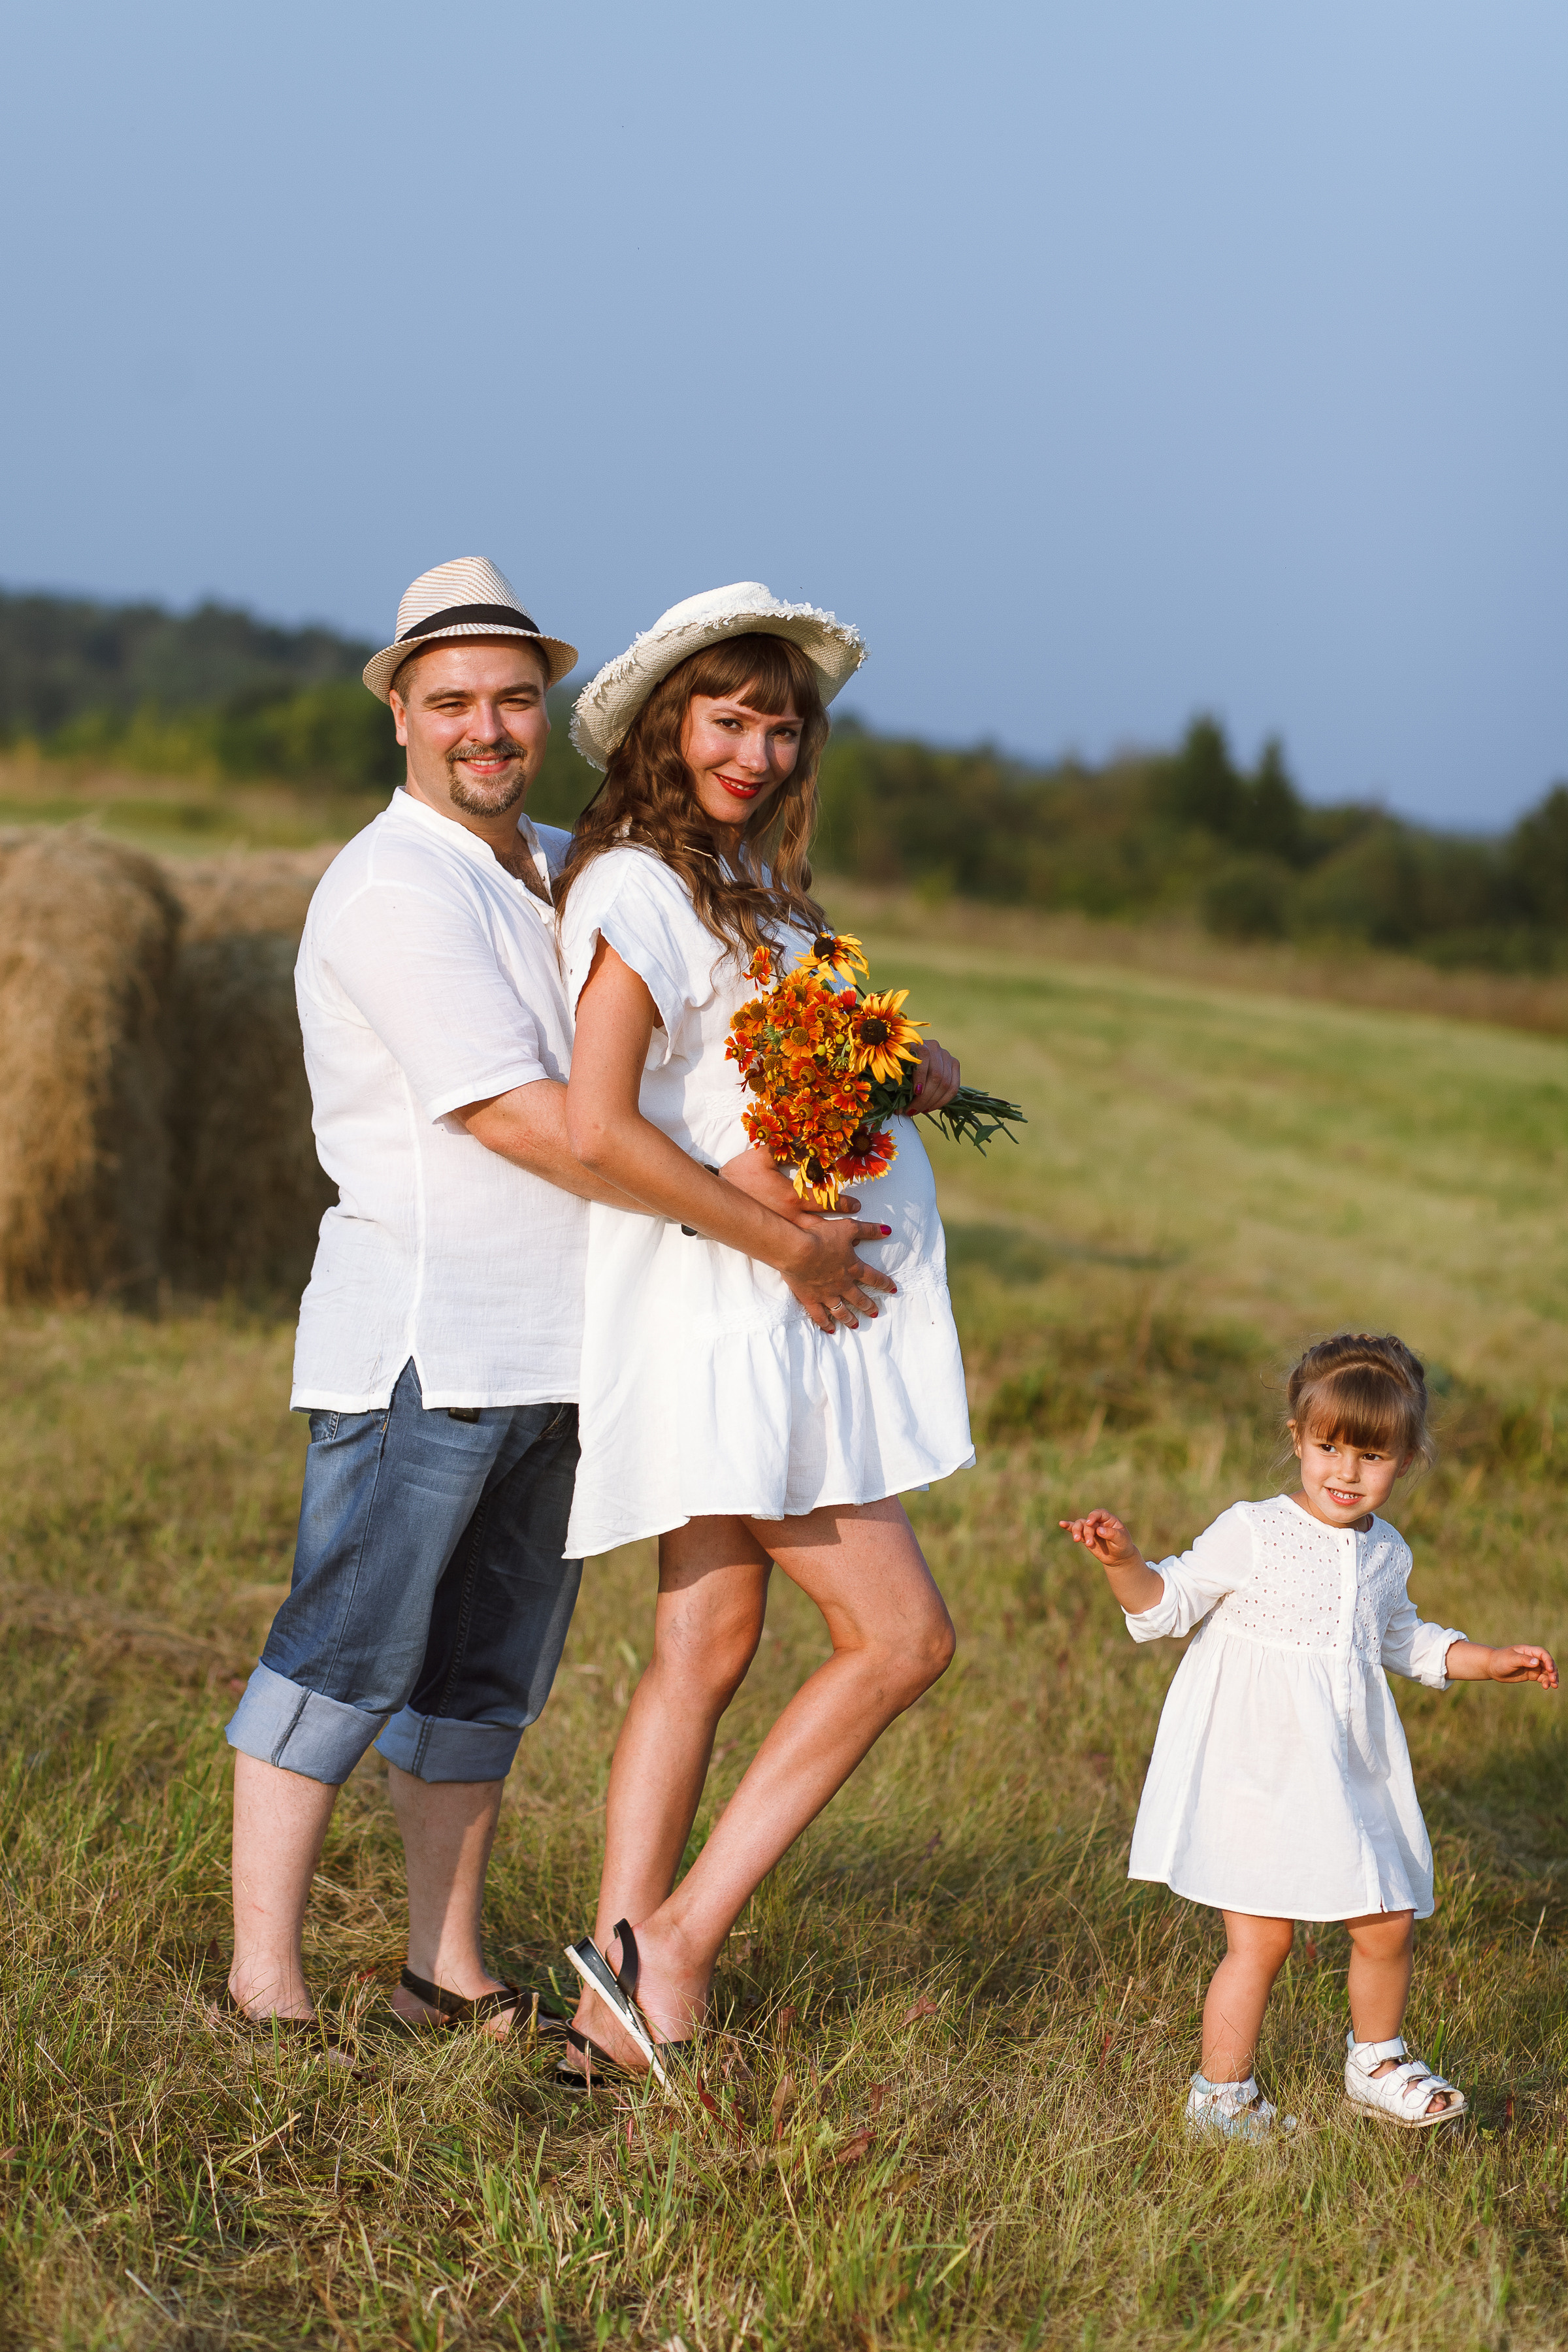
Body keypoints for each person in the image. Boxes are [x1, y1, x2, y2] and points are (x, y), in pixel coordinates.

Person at [223, 559, 885, 2045]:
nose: (486, 727)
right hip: (428, 1339)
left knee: (483, 1678)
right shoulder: (391, 884)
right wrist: (750, 1219)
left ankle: (440, 1968)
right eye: (453, 700)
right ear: (400, 714)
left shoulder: (555, 861)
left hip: (569, 1347)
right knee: (346, 1651)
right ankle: (264, 1983)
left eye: (513, 700)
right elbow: (526, 1117)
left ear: (546, 712)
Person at [550, 581, 975, 2082]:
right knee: (901, 1636)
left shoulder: (757, 894)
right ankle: (669, 1946)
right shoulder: (637, 890)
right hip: (732, 1312)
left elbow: (749, 1080)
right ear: (668, 725)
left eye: (782, 729)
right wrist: (787, 1238)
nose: (756, 752)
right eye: (728, 721)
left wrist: (898, 1065)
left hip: (772, 1311)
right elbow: (600, 1126)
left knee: (706, 1640)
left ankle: (607, 2013)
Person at [1062, 1330, 1558, 2137]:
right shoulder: (1254, 1529)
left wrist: (1488, 1660)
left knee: (1388, 1917)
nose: (1347, 1472)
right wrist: (1125, 1562)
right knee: (1262, 1942)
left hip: (1348, 1768)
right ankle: (1221, 2097)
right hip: (1257, 1772)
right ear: (1297, 1439)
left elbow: (1405, 1640)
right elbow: (1167, 1603)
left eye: (1373, 1456)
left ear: (1407, 1460)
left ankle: (1378, 2063)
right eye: (1329, 1448)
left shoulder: (1386, 1552)